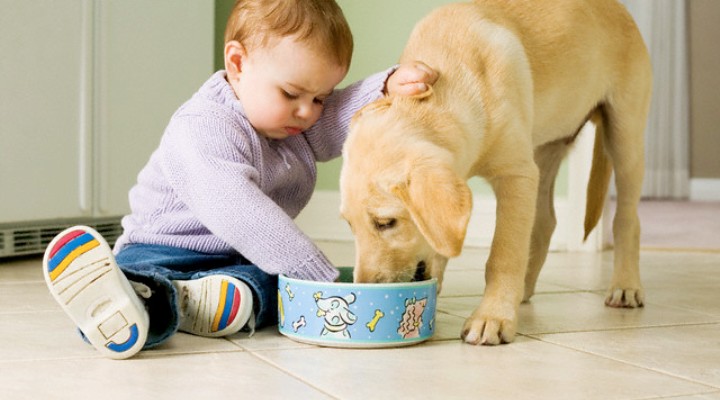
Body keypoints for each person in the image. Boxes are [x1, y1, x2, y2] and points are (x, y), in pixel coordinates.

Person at [42, 0, 437, 359]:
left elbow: (338, 118)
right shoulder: (205, 126)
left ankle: (208, 301)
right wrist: (313, 272)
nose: (307, 112)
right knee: (159, 277)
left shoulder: (289, 123)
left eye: (319, 97)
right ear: (238, 63)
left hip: (237, 258)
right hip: (162, 247)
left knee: (268, 283)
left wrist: (384, 88)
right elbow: (237, 211)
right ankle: (128, 300)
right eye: (291, 93)